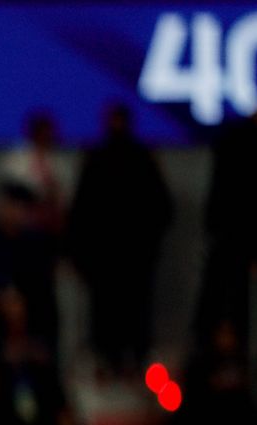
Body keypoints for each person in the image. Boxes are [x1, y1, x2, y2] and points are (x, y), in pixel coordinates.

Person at [67, 104, 172, 375]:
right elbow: (81, 212)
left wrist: (148, 245)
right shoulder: (100, 159)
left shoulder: (140, 159)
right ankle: (109, 363)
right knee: (107, 314)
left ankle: (136, 365)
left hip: (133, 258)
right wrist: (80, 254)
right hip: (106, 260)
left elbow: (161, 208)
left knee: (133, 313)